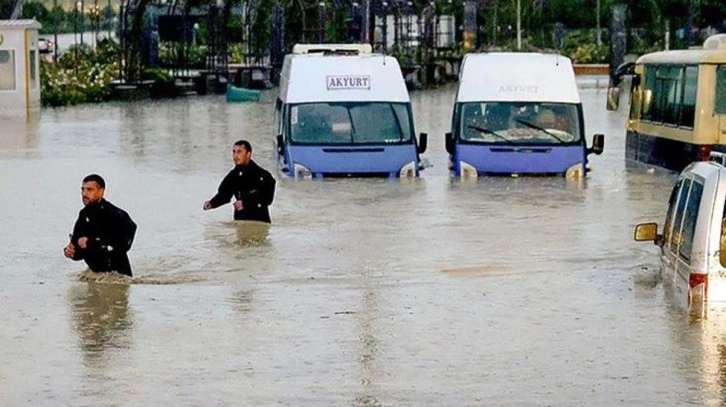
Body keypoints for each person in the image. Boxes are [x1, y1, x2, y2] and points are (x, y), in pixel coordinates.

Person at [63, 174, 137, 277]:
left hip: (118, 278)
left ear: (101, 191)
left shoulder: (116, 214)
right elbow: (78, 247)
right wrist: (71, 252)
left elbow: (124, 244)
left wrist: (91, 242)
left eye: (89, 190)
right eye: (83, 190)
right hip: (95, 275)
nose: (84, 194)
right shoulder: (84, 214)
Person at [203, 140, 276, 223]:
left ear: (248, 154)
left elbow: (267, 198)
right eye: (234, 152)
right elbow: (224, 194)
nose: (235, 156)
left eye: (239, 152)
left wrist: (245, 203)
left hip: (259, 222)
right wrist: (212, 203)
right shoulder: (233, 175)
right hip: (240, 222)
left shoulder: (263, 175)